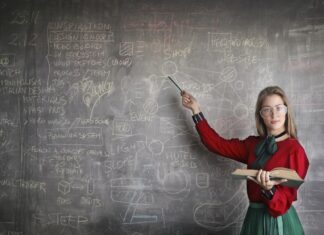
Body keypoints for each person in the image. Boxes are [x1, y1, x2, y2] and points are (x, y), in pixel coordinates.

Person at [181, 86, 309, 235]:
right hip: (253, 219)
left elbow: (281, 206)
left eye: (279, 108)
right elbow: (217, 144)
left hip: (279, 223)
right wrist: (196, 110)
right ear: (261, 115)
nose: (274, 114)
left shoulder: (295, 150)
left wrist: (269, 190)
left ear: (286, 111)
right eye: (267, 109)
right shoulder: (252, 145)